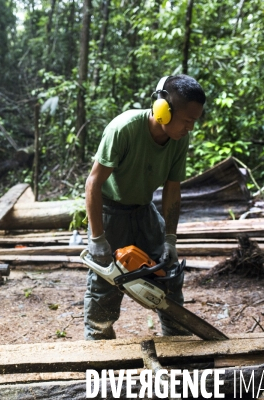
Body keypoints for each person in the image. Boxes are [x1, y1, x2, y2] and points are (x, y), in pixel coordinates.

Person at [84, 75, 206, 339]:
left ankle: (176, 339)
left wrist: (170, 240)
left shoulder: (179, 139)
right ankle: (98, 345)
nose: (189, 128)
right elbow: (93, 183)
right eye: (186, 121)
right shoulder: (124, 128)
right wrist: (97, 238)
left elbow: (173, 189)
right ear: (163, 109)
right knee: (106, 283)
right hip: (110, 212)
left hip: (144, 211)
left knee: (169, 273)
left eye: (193, 122)